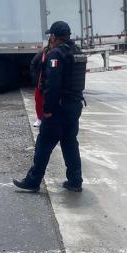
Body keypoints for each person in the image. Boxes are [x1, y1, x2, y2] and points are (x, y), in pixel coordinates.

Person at [14, 21, 85, 193]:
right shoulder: (77, 52)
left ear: (53, 36)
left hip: (59, 108)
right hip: (75, 106)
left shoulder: (55, 55)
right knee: (69, 143)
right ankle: (75, 181)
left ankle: (33, 181)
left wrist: (47, 109)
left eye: (50, 36)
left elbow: (53, 85)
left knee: (44, 144)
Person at [30, 47, 48, 127]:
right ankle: (39, 118)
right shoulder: (40, 55)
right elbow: (33, 65)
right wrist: (35, 79)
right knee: (38, 101)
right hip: (40, 82)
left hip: (50, 82)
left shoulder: (55, 54)